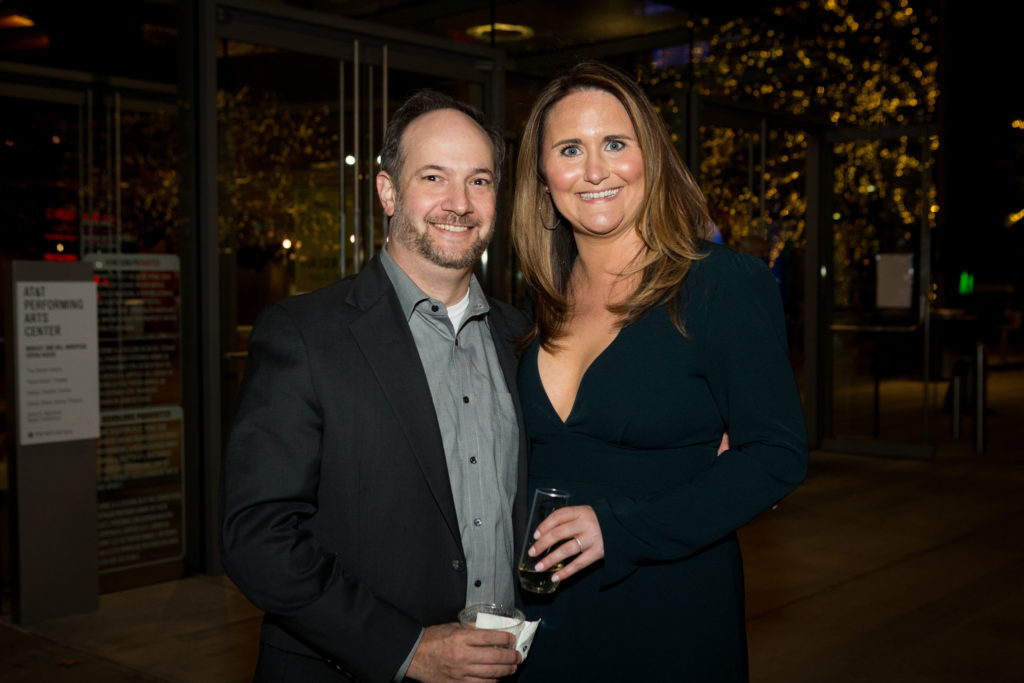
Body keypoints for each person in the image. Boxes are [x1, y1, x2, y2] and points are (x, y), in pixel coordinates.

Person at [509, 61, 809, 681]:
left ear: (651, 157)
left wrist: (620, 529)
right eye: (571, 149)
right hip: (545, 621)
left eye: (615, 144)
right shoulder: (539, 303)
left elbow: (776, 454)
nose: (595, 170)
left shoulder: (720, 284)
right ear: (543, 177)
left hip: (671, 614)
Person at [221, 90, 530, 683]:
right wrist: (406, 648)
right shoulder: (305, 336)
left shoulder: (520, 339)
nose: (459, 204)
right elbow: (256, 537)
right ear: (388, 192)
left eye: (480, 181)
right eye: (434, 177)